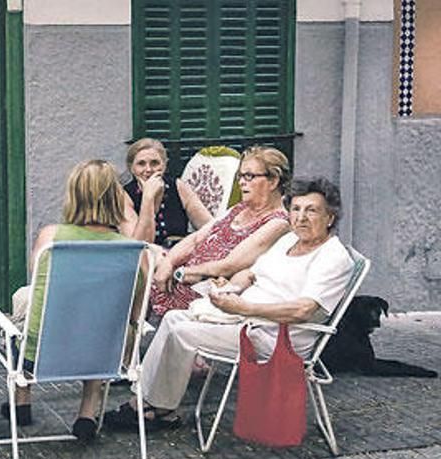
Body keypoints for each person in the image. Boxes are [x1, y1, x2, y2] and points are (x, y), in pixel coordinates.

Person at [104, 177, 354, 431]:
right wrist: (231, 290)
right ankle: (155, 406)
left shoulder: (332, 257)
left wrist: (244, 308)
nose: (301, 218)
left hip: (277, 337)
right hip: (247, 321)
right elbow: (252, 272)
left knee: (181, 331)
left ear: (330, 218)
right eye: (296, 209)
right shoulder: (289, 241)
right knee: (174, 318)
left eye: (311, 210)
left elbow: (304, 310)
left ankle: (148, 408)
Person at [7, 159, 148, 442]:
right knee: (101, 319)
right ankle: (87, 411)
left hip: (43, 358)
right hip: (105, 358)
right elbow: (134, 315)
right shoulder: (132, 251)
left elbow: (41, 289)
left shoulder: (52, 239)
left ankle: (22, 401)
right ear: (115, 199)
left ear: (73, 195)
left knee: (25, 303)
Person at [149, 145, 291, 318]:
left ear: (273, 181)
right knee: (143, 255)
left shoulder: (278, 222)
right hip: (179, 278)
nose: (241, 182)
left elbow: (229, 265)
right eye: (240, 176)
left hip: (204, 290)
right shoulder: (238, 209)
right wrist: (168, 263)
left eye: (249, 176)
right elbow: (196, 238)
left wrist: (181, 272)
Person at [120, 138, 212, 245]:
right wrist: (148, 198)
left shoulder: (178, 187)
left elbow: (210, 227)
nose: (148, 169)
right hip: (146, 259)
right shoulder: (124, 196)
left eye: (155, 163)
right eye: (141, 164)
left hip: (178, 255)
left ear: (164, 165)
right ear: (132, 168)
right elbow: (137, 247)